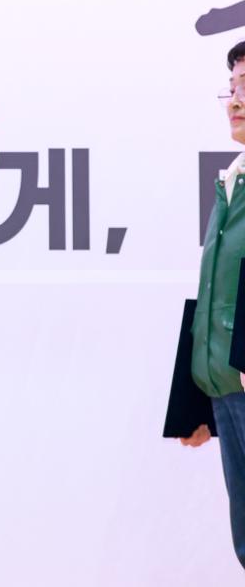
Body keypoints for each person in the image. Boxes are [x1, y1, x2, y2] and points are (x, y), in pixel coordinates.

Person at [179, 40, 245, 569]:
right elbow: (218, 288)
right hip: (228, 386)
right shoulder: (232, 177)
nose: (236, 101)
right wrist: (197, 398)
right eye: (233, 88)